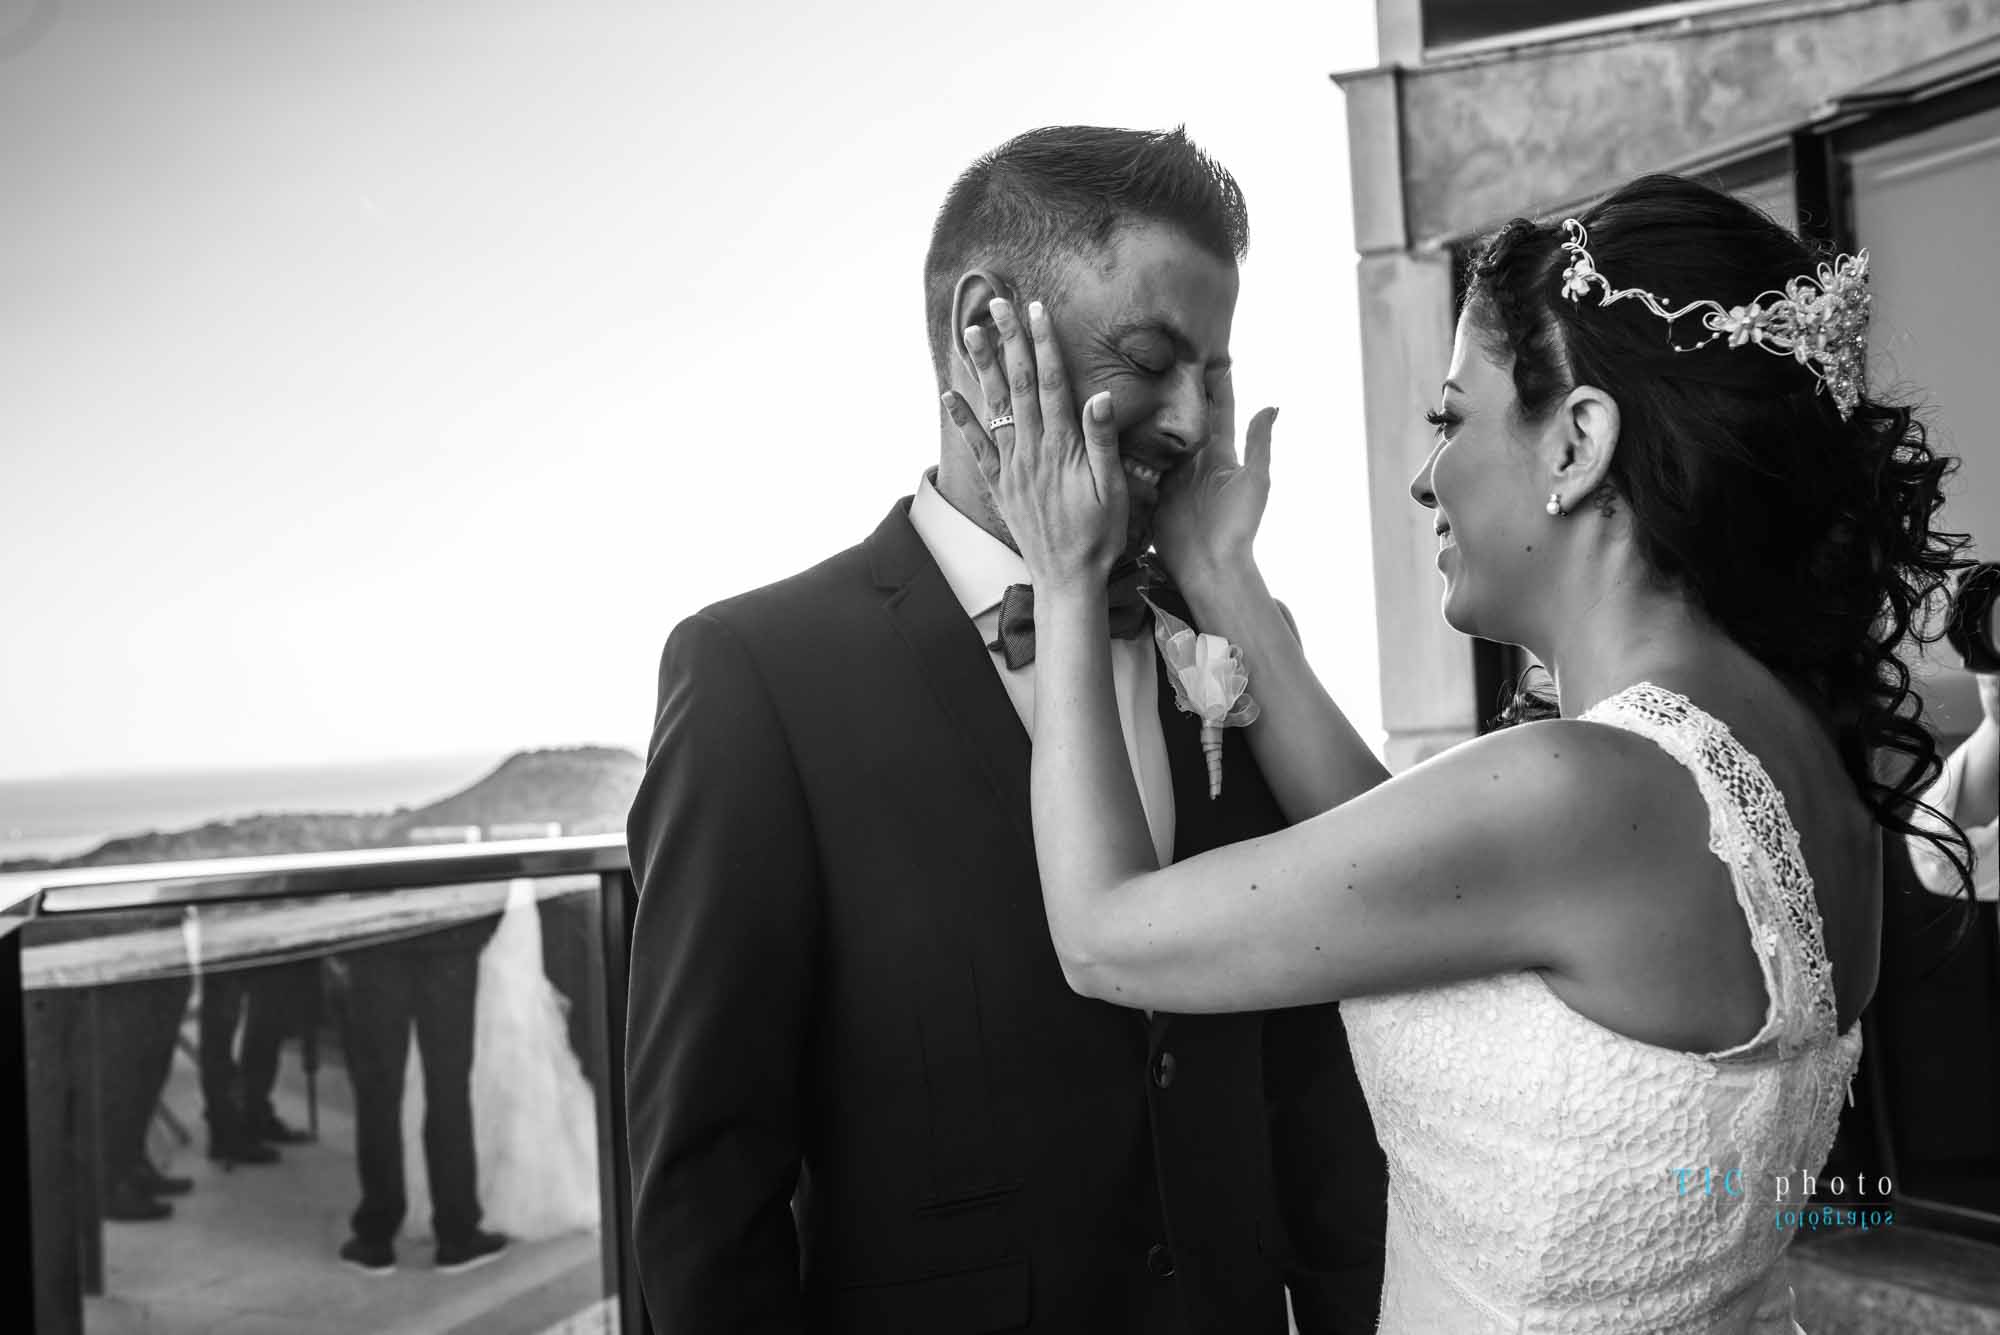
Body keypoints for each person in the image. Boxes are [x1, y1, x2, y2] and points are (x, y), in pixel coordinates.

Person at [944, 172, 1975, 1332]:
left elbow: (1104, 938)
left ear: (1575, 443)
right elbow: (1419, 865)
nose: (1423, 477)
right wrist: (1220, 572)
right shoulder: (1795, 767)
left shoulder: (1577, 791)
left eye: (1449, 420)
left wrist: (1066, 575)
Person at [625, 126, 1387, 1334]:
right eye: (1151, 360)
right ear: (985, 332)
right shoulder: (757, 677)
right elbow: (705, 1188)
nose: (1190, 422)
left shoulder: (1230, 641)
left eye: (1212, 375)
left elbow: (1313, 1082)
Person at [335, 910, 510, 1276]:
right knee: (449, 1087)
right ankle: (457, 1232)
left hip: (376, 936)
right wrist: (478, 929)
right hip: (449, 934)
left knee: (378, 1091)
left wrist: (342, 939)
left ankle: (375, 1236)